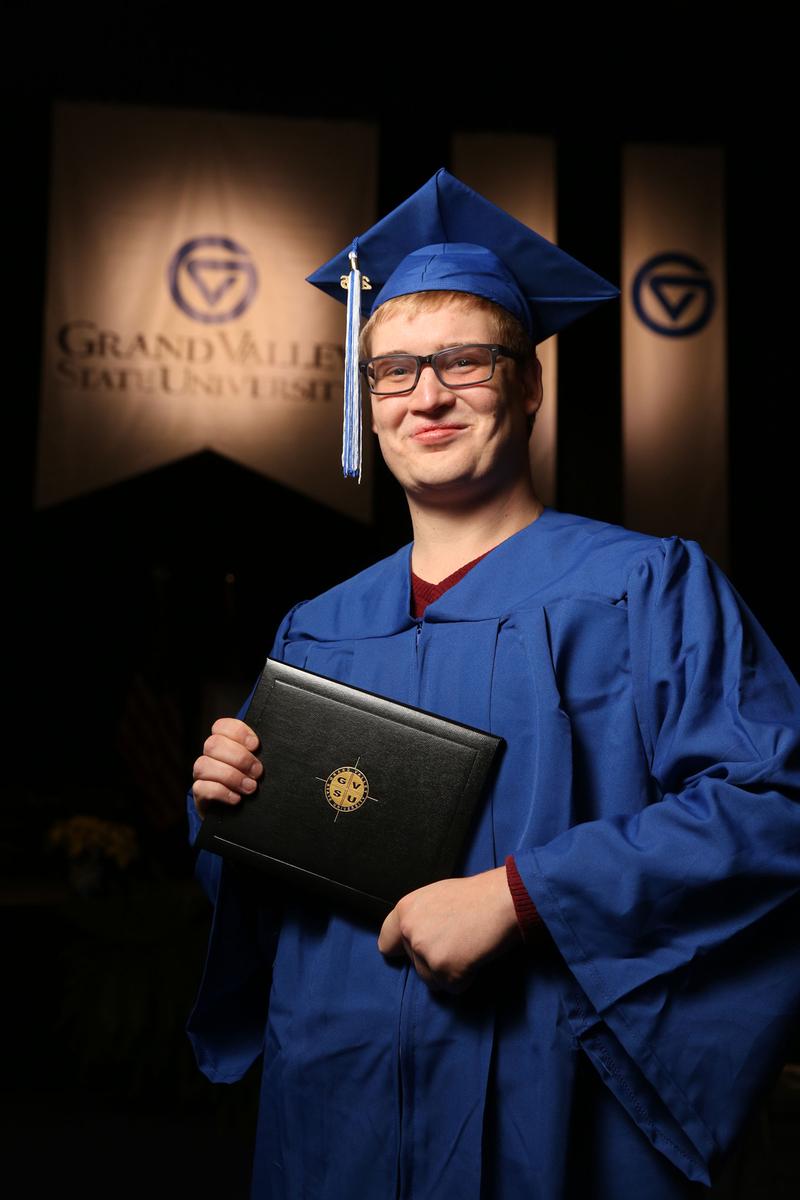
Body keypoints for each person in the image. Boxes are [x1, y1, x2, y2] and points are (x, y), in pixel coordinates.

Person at [186, 169, 800, 1198]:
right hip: (333, 1101)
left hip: (554, 1102)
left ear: (528, 384)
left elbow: (773, 808)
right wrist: (226, 811)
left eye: (464, 361)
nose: (426, 394)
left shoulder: (645, 589)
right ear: (365, 401)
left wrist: (523, 898)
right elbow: (262, 896)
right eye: (392, 372)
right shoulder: (318, 628)